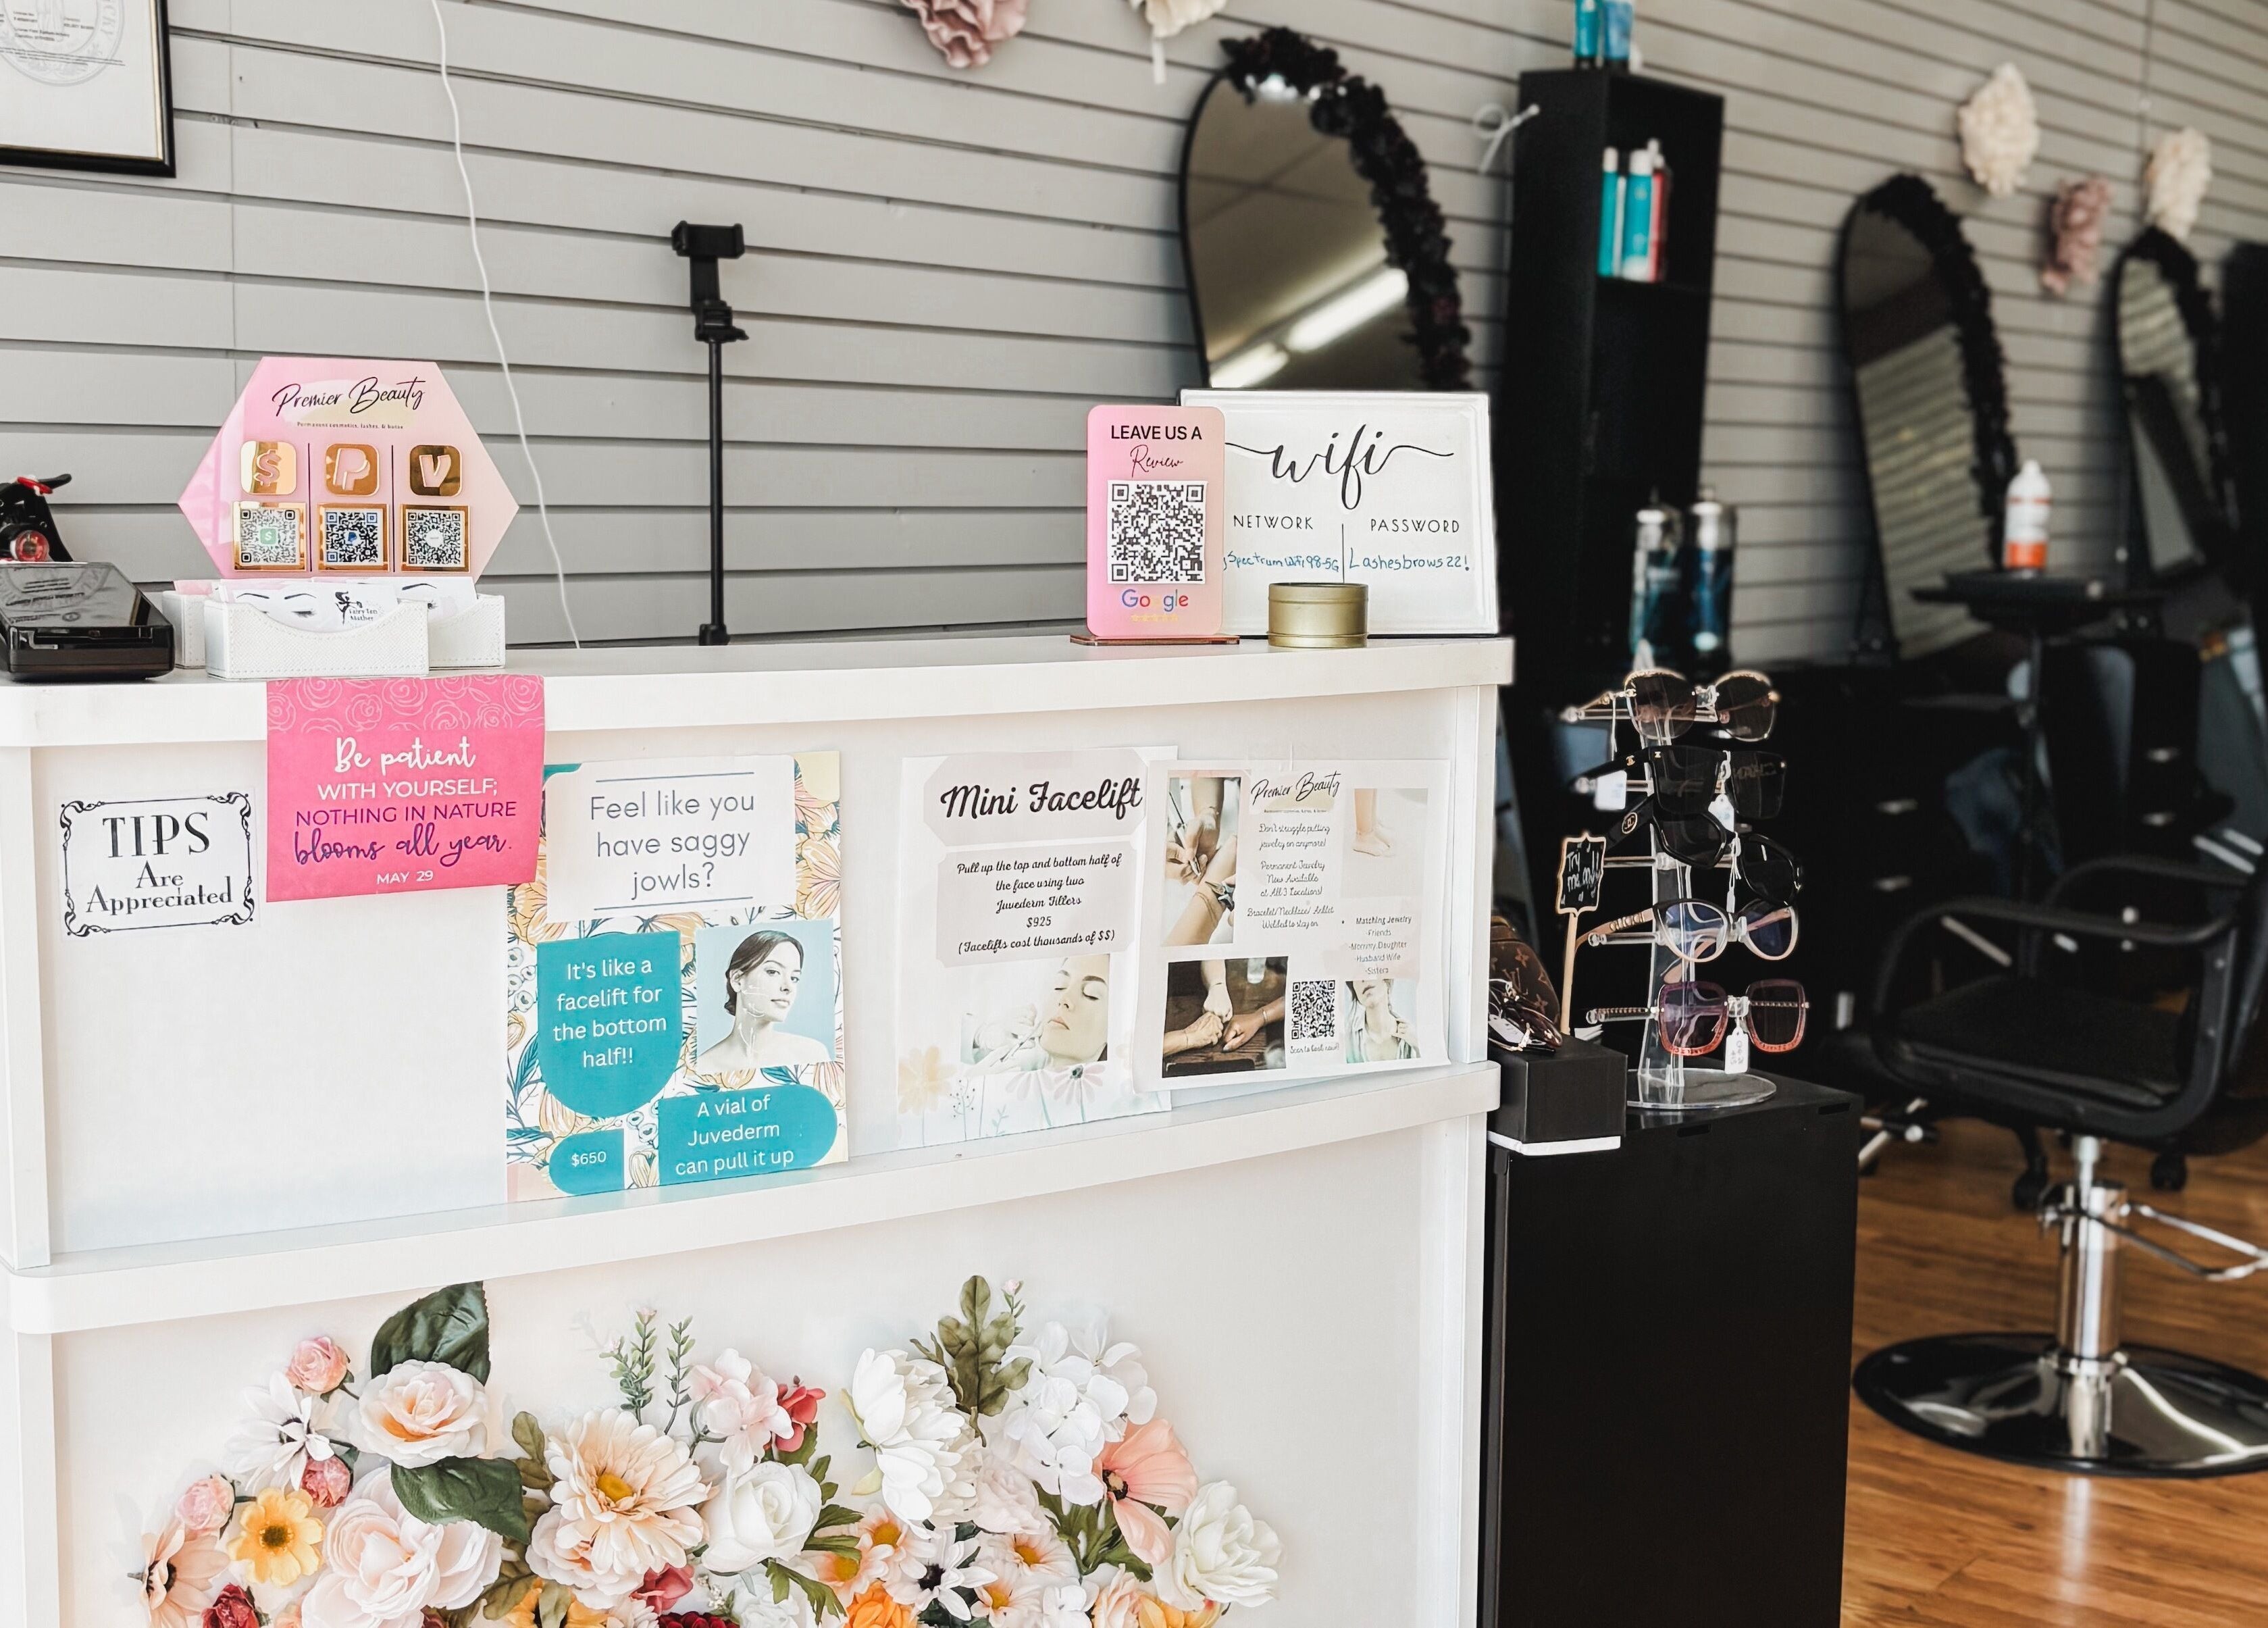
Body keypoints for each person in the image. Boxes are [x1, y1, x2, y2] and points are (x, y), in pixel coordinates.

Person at [696, 930, 830, 1073]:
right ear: (737, 980)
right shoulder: (704, 1067)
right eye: (773, 972)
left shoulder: (812, 1054)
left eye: (794, 978)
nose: (788, 987)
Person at [969, 955, 1112, 1072]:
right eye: (1060, 986)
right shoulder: (1019, 1064)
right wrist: (979, 1035)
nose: (1063, 999)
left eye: (1091, 995)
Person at [1345, 977, 1418, 1062]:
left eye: (1370, 971)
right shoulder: (1346, 1039)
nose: (1363, 979)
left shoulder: (1414, 1036)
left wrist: (1417, 1045)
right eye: (1356, 975)